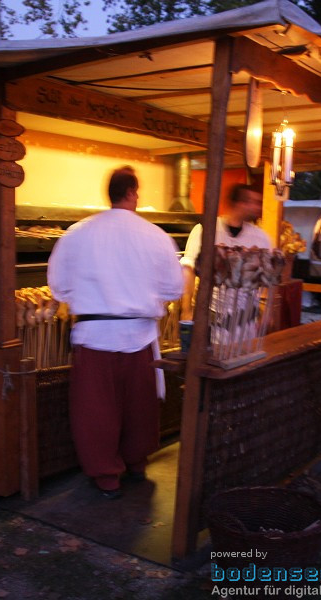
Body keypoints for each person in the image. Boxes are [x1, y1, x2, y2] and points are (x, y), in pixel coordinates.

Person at [47, 167, 184, 499]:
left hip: (94, 335)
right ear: (133, 192)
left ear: (109, 193)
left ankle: (107, 476)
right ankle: (135, 463)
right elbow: (174, 287)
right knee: (139, 406)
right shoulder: (156, 235)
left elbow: (59, 286)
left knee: (97, 410)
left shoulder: (77, 233)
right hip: (138, 334)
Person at [179, 183, 272, 319]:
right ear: (240, 203)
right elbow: (189, 271)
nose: (259, 207)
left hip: (245, 319)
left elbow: (266, 278)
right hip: (210, 313)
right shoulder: (205, 230)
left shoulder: (261, 237)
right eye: (255, 202)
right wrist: (186, 310)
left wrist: (265, 310)